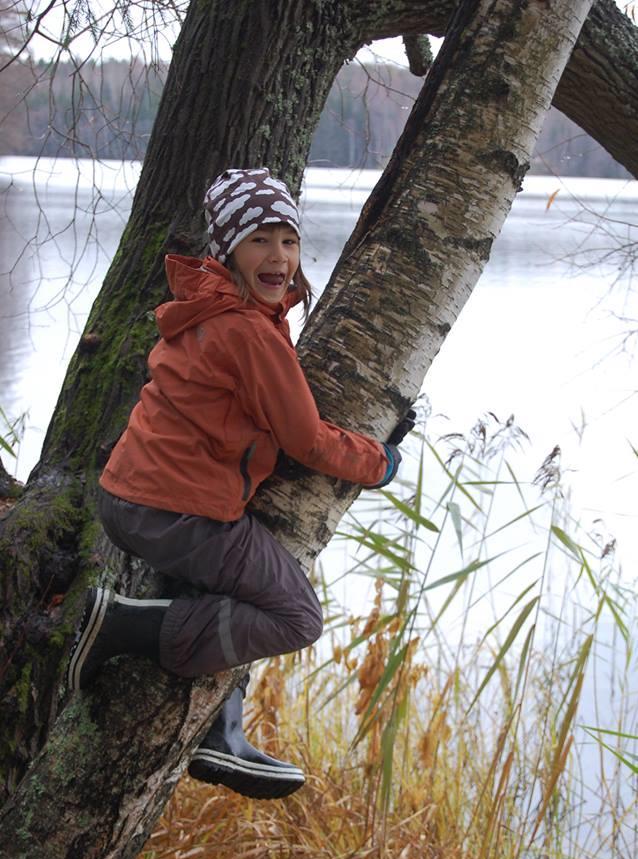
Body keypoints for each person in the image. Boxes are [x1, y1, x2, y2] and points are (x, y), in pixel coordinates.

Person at [66, 168, 416, 800]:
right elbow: (306, 440)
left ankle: (218, 734)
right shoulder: (247, 331)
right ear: (228, 250)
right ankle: (119, 625)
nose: (278, 256)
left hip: (134, 496)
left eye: (288, 239)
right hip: (175, 511)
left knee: (235, 581)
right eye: (259, 240)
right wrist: (380, 462)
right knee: (295, 616)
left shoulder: (218, 312)